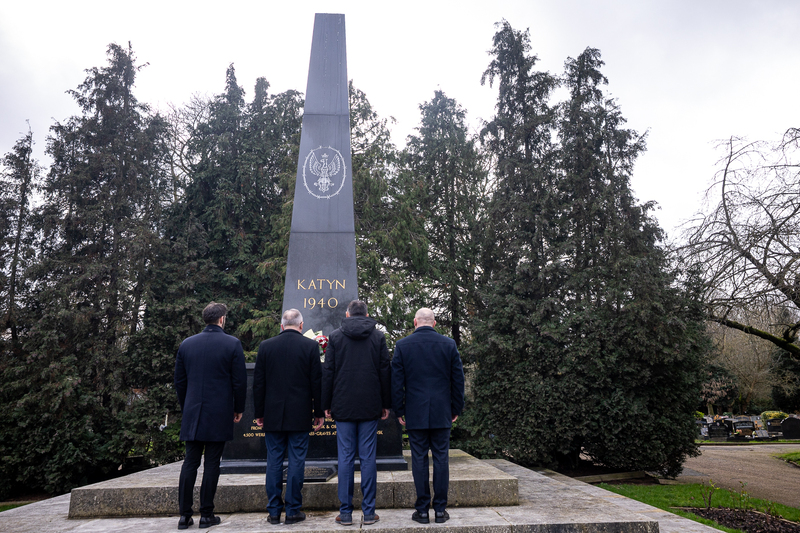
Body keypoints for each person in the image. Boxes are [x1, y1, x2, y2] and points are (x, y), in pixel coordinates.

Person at [174, 302, 247, 530]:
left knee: (190, 463)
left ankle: (184, 516)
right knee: (212, 463)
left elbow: (180, 381)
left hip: (193, 412)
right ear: (222, 319)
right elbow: (239, 382)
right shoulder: (232, 343)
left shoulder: (187, 344)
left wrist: (187, 405)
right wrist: (239, 408)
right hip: (219, 412)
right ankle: (207, 514)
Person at [391, 308, 465, 524]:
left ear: (415, 322)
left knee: (419, 459)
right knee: (442, 459)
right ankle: (440, 510)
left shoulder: (402, 345)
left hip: (415, 411)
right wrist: (456, 408)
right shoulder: (448, 344)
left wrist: (400, 410)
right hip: (442, 411)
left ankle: (422, 510)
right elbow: (457, 380)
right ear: (434, 323)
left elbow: (397, 382)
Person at [322, 300, 391, 526]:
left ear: (348, 313)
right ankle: (369, 511)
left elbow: (329, 372)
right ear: (367, 314)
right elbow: (384, 372)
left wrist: (326, 404)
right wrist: (386, 404)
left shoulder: (335, 337)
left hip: (343, 405)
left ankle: (345, 512)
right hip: (370, 405)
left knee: (346, 458)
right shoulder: (378, 337)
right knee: (368, 457)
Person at [253, 309, 325, 525]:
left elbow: (259, 383)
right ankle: (293, 510)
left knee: (273, 461)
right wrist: (319, 412)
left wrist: (259, 413)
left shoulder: (266, 346)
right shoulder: (310, 346)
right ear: (301, 326)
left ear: (282, 326)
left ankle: (274, 511)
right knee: (296, 461)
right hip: (299, 413)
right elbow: (316, 383)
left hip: (273, 414)